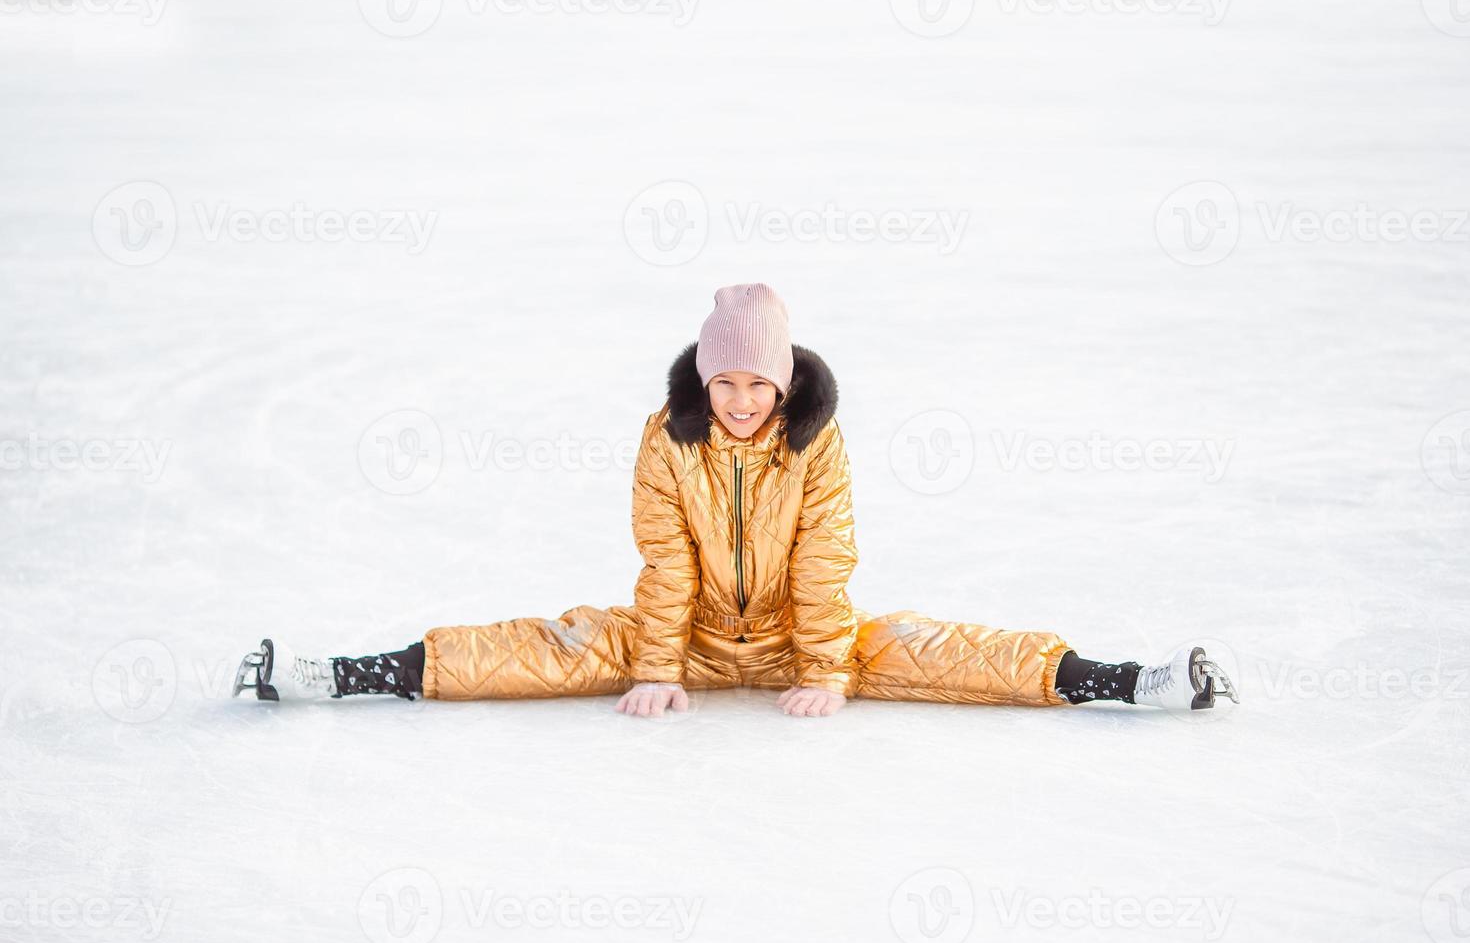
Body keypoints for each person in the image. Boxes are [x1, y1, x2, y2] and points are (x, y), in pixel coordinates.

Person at [233, 282, 1239, 717]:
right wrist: (661, 664)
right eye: (729, 384)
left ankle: (1121, 680)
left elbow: (825, 558)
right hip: (693, 633)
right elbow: (664, 557)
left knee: (941, 644)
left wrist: (824, 667)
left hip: (817, 633)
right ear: (705, 383)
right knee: (555, 640)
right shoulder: (667, 439)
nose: (746, 400)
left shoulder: (819, 441)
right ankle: (348, 672)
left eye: (762, 383)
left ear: (787, 381)